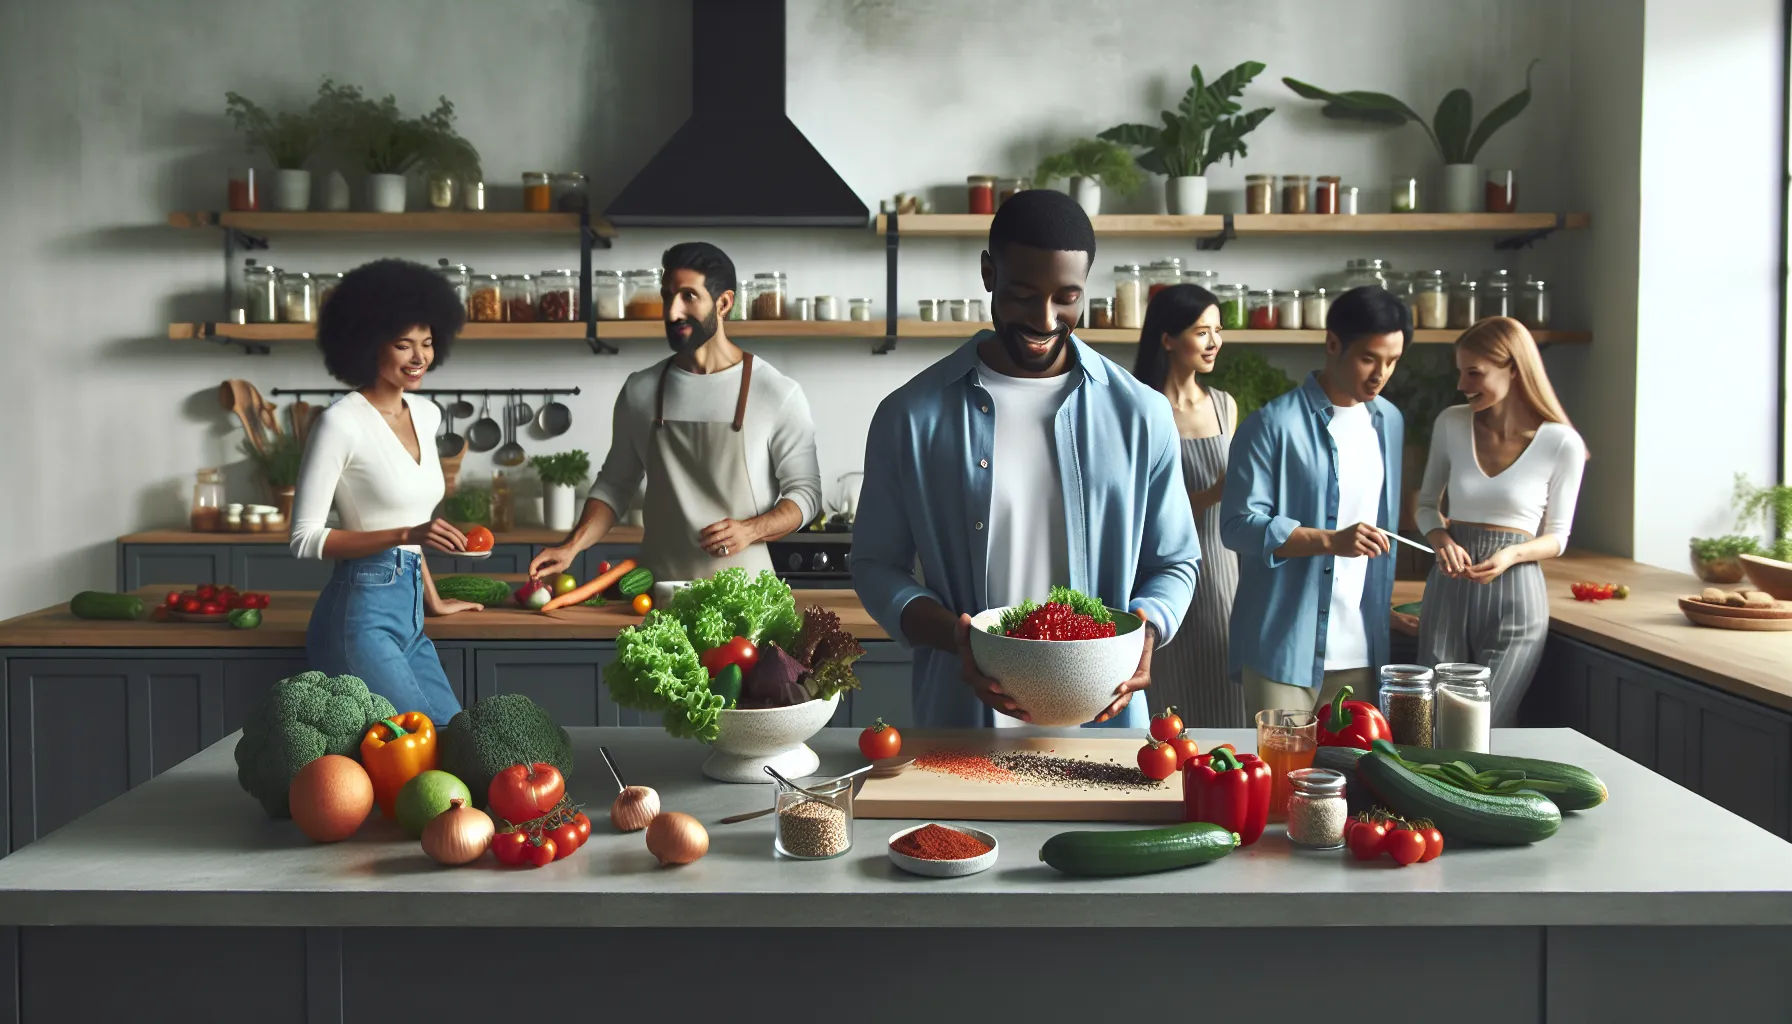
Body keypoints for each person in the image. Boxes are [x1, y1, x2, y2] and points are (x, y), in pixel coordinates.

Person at [852, 189, 1201, 730]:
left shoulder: (1144, 414)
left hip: (1107, 725)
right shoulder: (909, 416)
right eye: (1022, 294)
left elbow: (1175, 562)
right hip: (960, 727)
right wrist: (955, 636)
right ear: (989, 272)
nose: (1045, 318)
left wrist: (1148, 630)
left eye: (1067, 297)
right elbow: (875, 565)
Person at [531, 242, 821, 583]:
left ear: (724, 303)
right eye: (667, 297)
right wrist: (571, 547)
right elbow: (614, 486)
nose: (672, 312)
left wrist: (751, 530)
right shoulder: (640, 390)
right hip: (660, 594)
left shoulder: (776, 392)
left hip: (750, 597)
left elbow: (806, 494)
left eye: (688, 296)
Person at [290, 258, 479, 722]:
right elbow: (305, 538)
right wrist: (405, 535)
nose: (419, 358)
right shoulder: (339, 423)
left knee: (458, 735)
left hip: (411, 616)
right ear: (368, 342)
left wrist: (432, 601)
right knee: (427, 746)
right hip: (359, 616)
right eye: (403, 345)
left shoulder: (428, 414)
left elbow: (416, 525)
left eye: (428, 344)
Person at [1221, 286, 1407, 719]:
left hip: (1363, 649)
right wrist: (1328, 541)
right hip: (1282, 647)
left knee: (1353, 783)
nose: (1381, 374)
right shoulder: (1270, 425)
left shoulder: (1390, 422)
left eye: (1392, 361)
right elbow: (1236, 525)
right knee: (1282, 783)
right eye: (1368, 358)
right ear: (1332, 344)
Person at [1416, 317, 1587, 725]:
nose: (1461, 384)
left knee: (1488, 721)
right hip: (1448, 584)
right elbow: (1425, 504)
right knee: (1430, 721)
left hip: (1517, 591)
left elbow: (1558, 537)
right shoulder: (1451, 423)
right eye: (1460, 371)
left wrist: (1511, 555)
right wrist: (1441, 539)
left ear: (1513, 367)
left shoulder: (1562, 443)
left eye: (1473, 373)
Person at [1130, 284, 1242, 728]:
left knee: (1228, 701)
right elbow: (1141, 512)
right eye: (1202, 331)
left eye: (1218, 330)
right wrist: (1215, 493)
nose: (1215, 342)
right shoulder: (1141, 408)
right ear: (1167, 338)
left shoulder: (1225, 405)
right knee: (1167, 704)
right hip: (1161, 575)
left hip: (1224, 571)